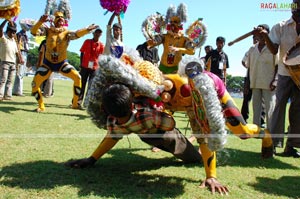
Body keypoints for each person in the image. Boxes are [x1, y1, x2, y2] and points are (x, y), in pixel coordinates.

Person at [65, 83, 202, 165]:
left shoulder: (114, 123)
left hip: (148, 136)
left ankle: (193, 142)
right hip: (168, 135)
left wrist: (91, 159)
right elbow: (170, 124)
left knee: (188, 157)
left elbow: (110, 139)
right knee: (195, 159)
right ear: (131, 105)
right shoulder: (147, 116)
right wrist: (162, 108)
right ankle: (197, 144)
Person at [256, 0, 300, 158]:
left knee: (297, 111)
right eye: (295, 6)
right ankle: (272, 145)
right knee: (279, 108)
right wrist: (266, 37)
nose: (296, 9)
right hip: (284, 74)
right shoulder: (280, 26)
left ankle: (292, 147)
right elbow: (274, 50)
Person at [30, 11, 98, 112]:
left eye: (62, 18)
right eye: (58, 17)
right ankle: (41, 106)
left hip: (62, 63)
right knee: (34, 85)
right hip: (47, 64)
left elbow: (76, 34)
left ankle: (75, 104)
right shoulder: (48, 31)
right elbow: (33, 32)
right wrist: (40, 22)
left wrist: (87, 30)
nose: (60, 19)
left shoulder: (66, 33)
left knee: (78, 78)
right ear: (53, 20)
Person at [246, 24, 277, 133]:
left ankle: (270, 131)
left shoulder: (273, 47)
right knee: (256, 109)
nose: (258, 35)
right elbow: (247, 65)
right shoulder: (252, 49)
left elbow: (277, 65)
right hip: (255, 82)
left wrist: (275, 80)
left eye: (260, 32)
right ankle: (256, 130)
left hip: (269, 83)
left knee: (270, 109)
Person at [147, 3, 195, 74]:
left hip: (176, 68)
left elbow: (192, 51)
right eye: (171, 22)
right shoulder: (165, 36)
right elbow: (153, 43)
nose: (172, 24)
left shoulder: (184, 39)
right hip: (162, 67)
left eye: (175, 22)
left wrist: (179, 49)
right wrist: (151, 40)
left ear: (179, 24)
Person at [241, 35, 266, 127]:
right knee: (246, 99)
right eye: (254, 38)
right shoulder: (250, 50)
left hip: (261, 78)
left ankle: (261, 121)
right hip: (249, 77)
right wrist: (251, 67)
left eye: (257, 37)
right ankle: (243, 119)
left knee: (261, 100)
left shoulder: (266, 49)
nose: (255, 39)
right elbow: (243, 61)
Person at [78, 28, 104, 107]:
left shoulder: (101, 45)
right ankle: (78, 101)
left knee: (91, 86)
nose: (97, 34)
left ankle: (86, 103)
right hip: (85, 66)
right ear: (93, 33)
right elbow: (82, 52)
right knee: (81, 84)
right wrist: (81, 64)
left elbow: (102, 57)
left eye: (99, 33)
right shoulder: (87, 41)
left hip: (95, 68)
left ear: (101, 35)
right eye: (96, 32)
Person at [0, 20, 23, 101]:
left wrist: (20, 59)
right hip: (5, 62)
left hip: (13, 63)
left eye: (14, 32)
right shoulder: (3, 38)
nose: (13, 34)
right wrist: (6, 20)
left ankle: (8, 96)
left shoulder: (14, 41)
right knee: (3, 80)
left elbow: (17, 52)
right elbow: (0, 28)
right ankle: (0, 95)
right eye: (12, 32)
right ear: (8, 31)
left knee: (10, 81)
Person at [12, 27, 28, 96]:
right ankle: (17, 91)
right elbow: (18, 45)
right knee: (19, 72)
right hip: (21, 52)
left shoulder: (25, 35)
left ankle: (17, 90)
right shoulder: (20, 35)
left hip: (24, 53)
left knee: (21, 72)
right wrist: (19, 56)